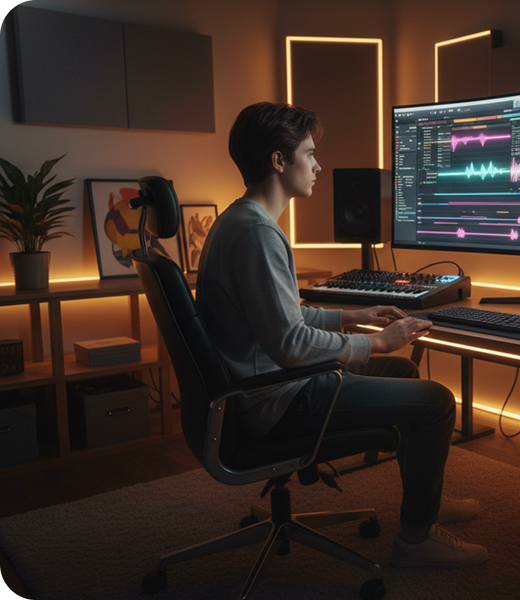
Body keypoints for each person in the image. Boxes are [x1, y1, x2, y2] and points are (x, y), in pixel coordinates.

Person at [196, 101, 487, 569]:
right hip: (277, 399)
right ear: (278, 160)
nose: (318, 165)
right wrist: (376, 340)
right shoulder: (257, 236)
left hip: (262, 387)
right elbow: (289, 345)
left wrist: (356, 316)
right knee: (436, 401)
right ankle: (416, 541)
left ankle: (423, 497)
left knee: (402, 372)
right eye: (309, 153)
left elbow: (282, 319)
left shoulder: (239, 222)